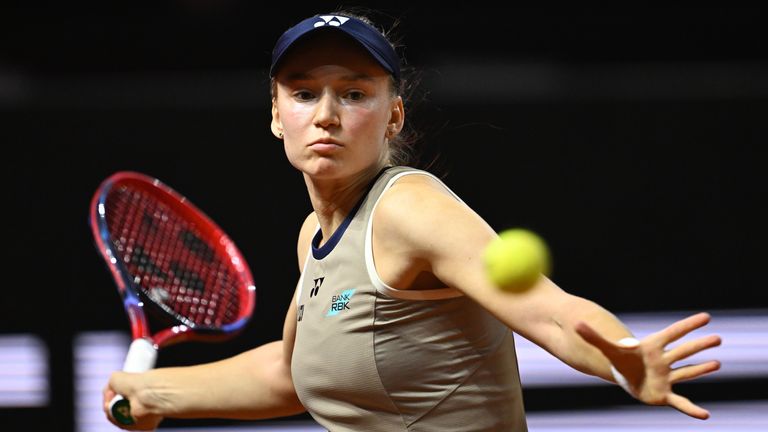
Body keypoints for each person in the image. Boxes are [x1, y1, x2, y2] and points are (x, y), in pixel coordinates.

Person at [103, 11, 722, 431]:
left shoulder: (408, 206)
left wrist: (620, 356)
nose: (326, 114)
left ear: (393, 117)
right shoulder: (313, 237)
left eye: (353, 93)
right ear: (275, 115)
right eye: (302, 93)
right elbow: (289, 373)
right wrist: (157, 393)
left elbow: (549, 310)